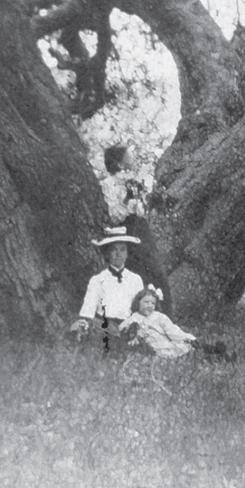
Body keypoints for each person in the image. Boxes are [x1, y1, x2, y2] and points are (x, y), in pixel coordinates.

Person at [101, 143, 174, 316]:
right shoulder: (108, 184)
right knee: (139, 274)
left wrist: (142, 200)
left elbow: (140, 211)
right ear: (119, 164)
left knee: (157, 272)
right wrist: (127, 199)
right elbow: (114, 215)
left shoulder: (133, 180)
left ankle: (165, 317)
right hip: (126, 232)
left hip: (141, 229)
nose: (132, 158)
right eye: (128, 155)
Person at [70, 226, 145, 354]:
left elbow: (141, 310)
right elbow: (88, 311)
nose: (118, 254)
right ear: (107, 254)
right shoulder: (97, 280)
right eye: (114, 250)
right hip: (104, 328)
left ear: (127, 253)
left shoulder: (135, 279)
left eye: (122, 250)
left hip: (128, 328)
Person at [119, 286, 197, 359]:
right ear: (138, 302)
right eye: (146, 302)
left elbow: (172, 331)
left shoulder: (159, 317)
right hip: (146, 345)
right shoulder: (134, 318)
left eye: (153, 303)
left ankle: (191, 347)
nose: (150, 305)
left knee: (181, 346)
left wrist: (188, 338)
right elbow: (122, 328)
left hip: (163, 344)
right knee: (138, 349)